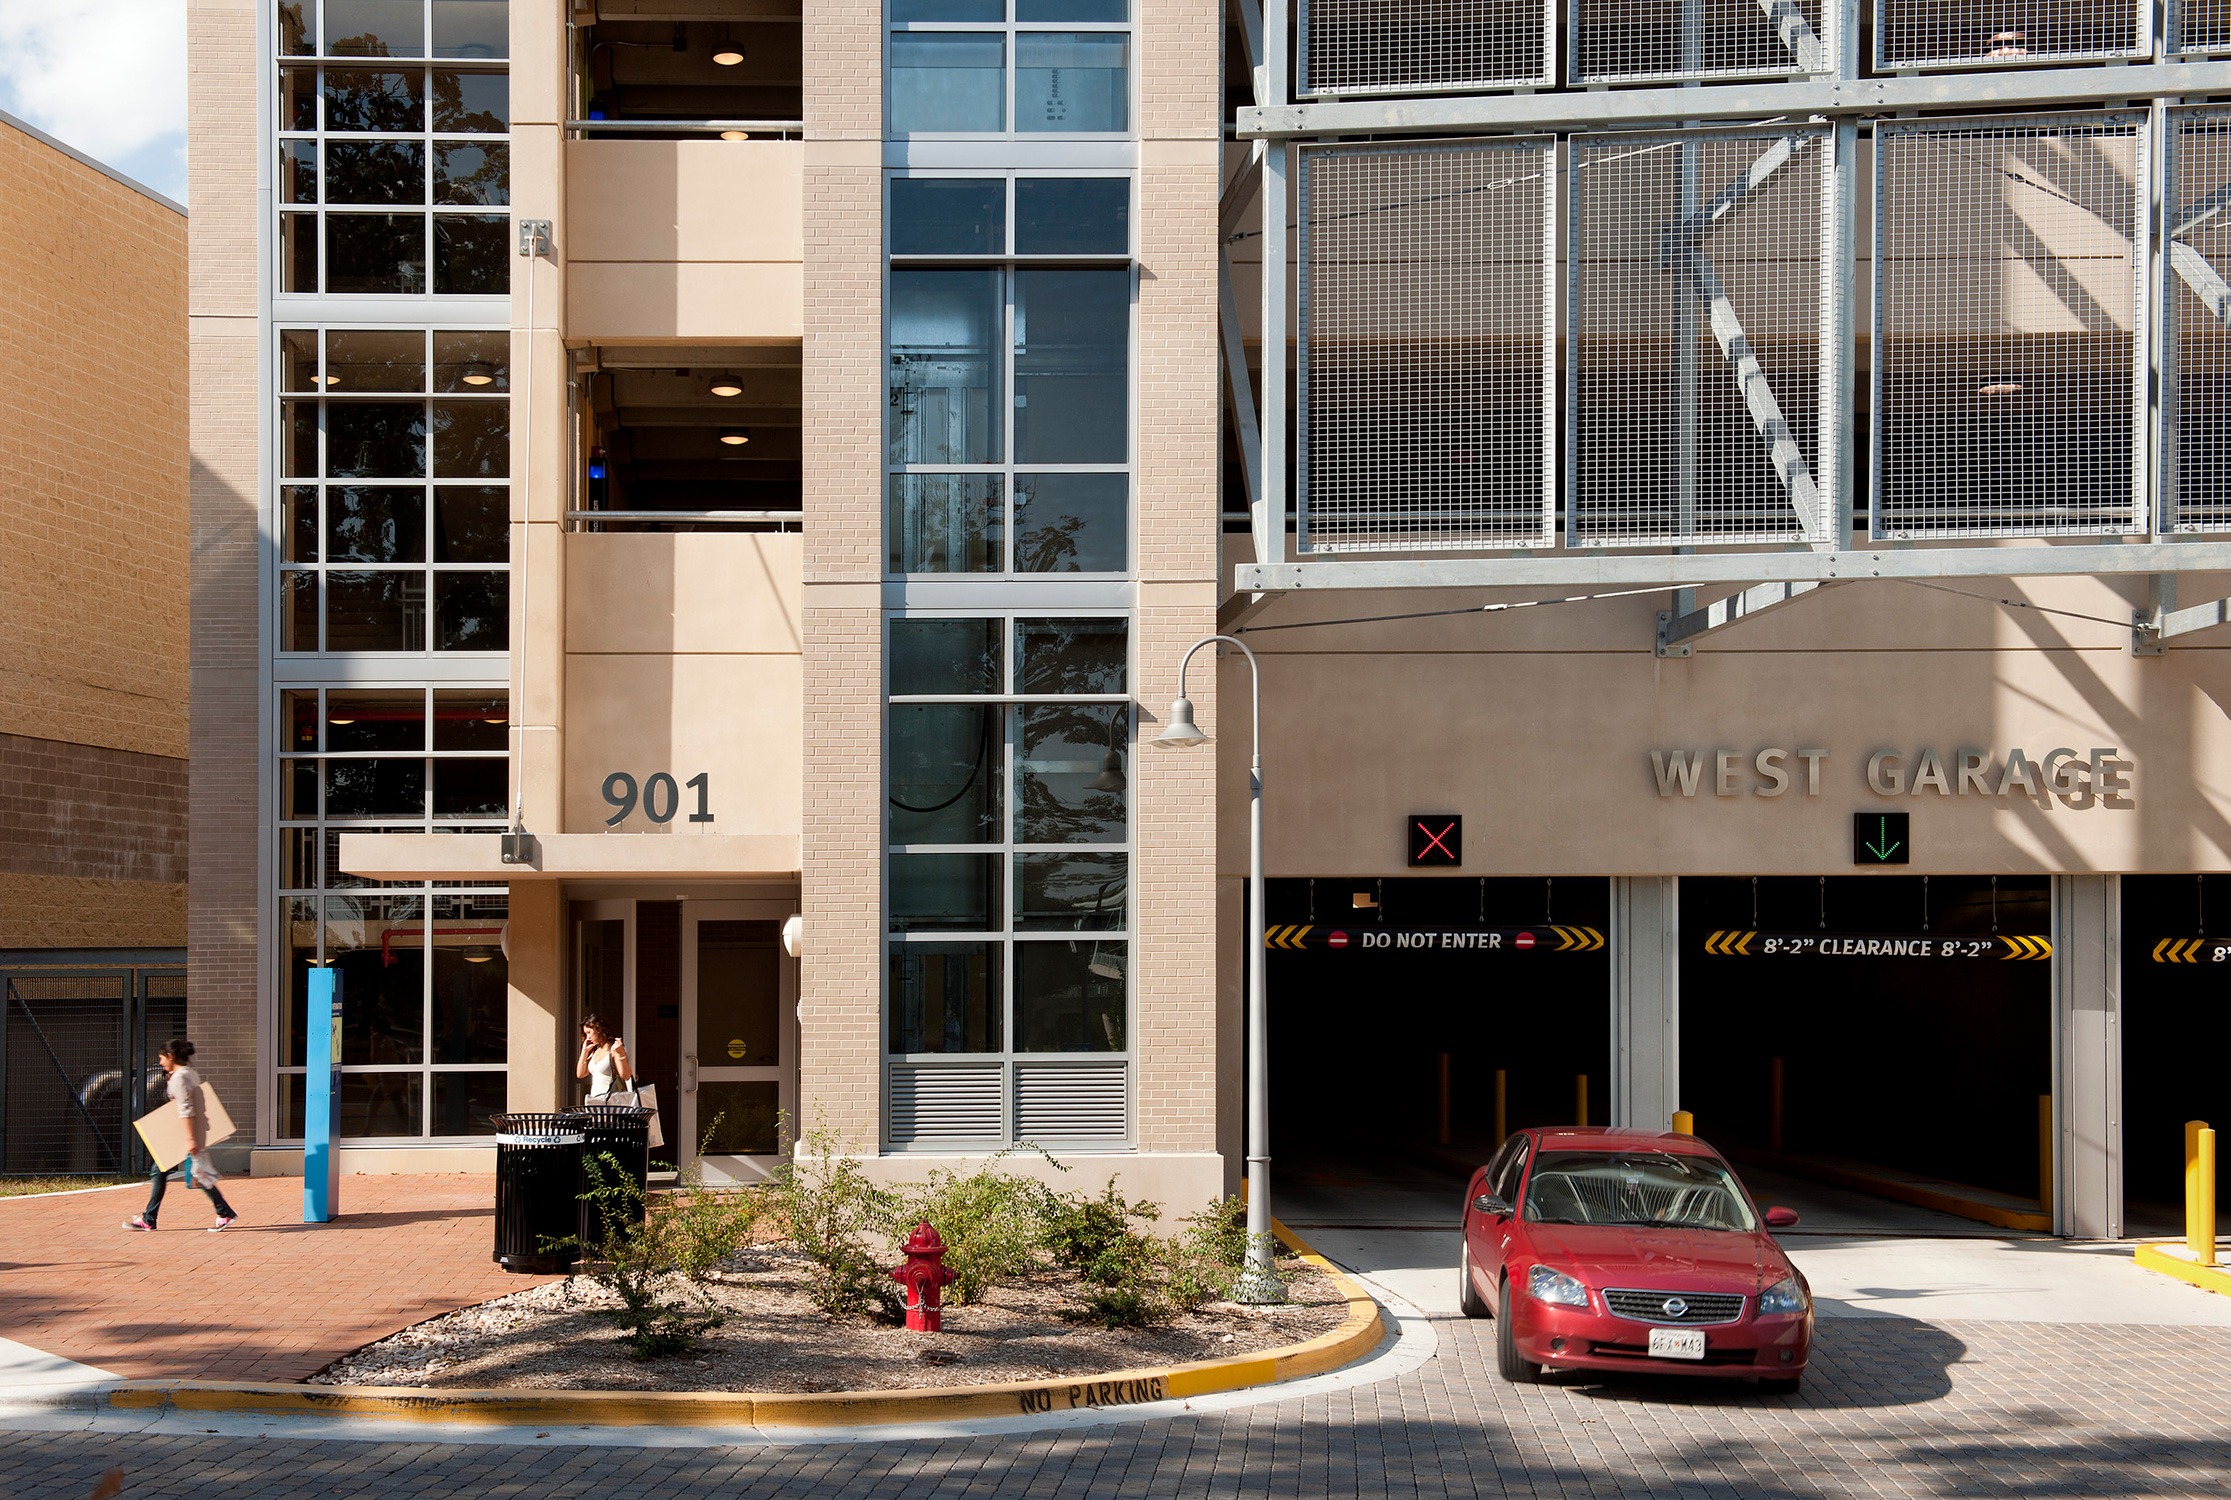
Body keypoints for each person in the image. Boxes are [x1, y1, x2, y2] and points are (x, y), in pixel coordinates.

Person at [124, 1038, 238, 1232]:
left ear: (170, 1056)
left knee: (193, 1173)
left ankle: (150, 1219)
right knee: (188, 1172)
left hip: (186, 1134)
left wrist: (190, 1139)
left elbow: (186, 1109)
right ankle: (223, 1212)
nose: (160, 1063)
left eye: (161, 1058)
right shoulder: (188, 1073)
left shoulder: (180, 1077)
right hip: (188, 1133)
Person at [576, 1014, 634, 1100]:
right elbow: (580, 1074)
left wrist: (621, 1054)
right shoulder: (595, 1050)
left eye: (589, 1032)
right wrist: (584, 1052)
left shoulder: (614, 1049)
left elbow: (626, 1075)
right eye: (585, 1033)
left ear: (599, 1029)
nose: (588, 1037)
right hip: (595, 1100)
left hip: (611, 1101)